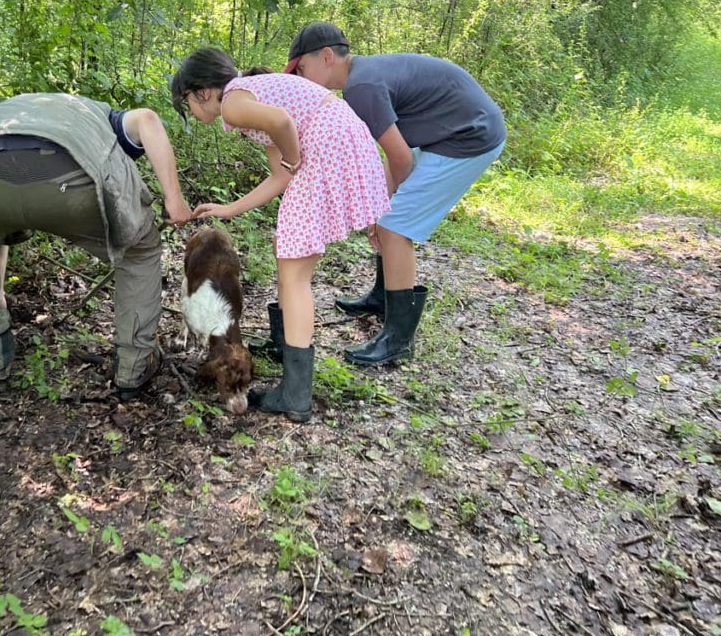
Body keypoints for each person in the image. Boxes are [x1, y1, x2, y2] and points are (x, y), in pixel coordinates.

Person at [170, 48, 389, 422]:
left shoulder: (234, 103)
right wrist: (229, 208)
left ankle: (295, 394)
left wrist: (294, 157)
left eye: (186, 103)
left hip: (328, 145)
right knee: (287, 257)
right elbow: (281, 175)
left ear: (203, 92)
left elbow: (286, 126)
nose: (191, 112)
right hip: (339, 140)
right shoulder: (249, 98)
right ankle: (289, 359)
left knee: (294, 277)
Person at [0, 93, 192, 396]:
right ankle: (133, 365)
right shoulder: (102, 115)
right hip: (66, 171)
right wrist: (174, 199)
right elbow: (147, 119)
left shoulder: (11, 111)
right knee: (139, 250)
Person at [285, 22, 507, 365]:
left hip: (471, 138)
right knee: (387, 219)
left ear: (327, 56)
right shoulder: (360, 80)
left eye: (301, 68)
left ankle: (398, 339)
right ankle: (383, 297)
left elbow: (401, 159)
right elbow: (392, 155)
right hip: (454, 133)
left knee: (394, 227)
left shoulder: (362, 87)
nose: (299, 78)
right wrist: (379, 207)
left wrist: (382, 215)